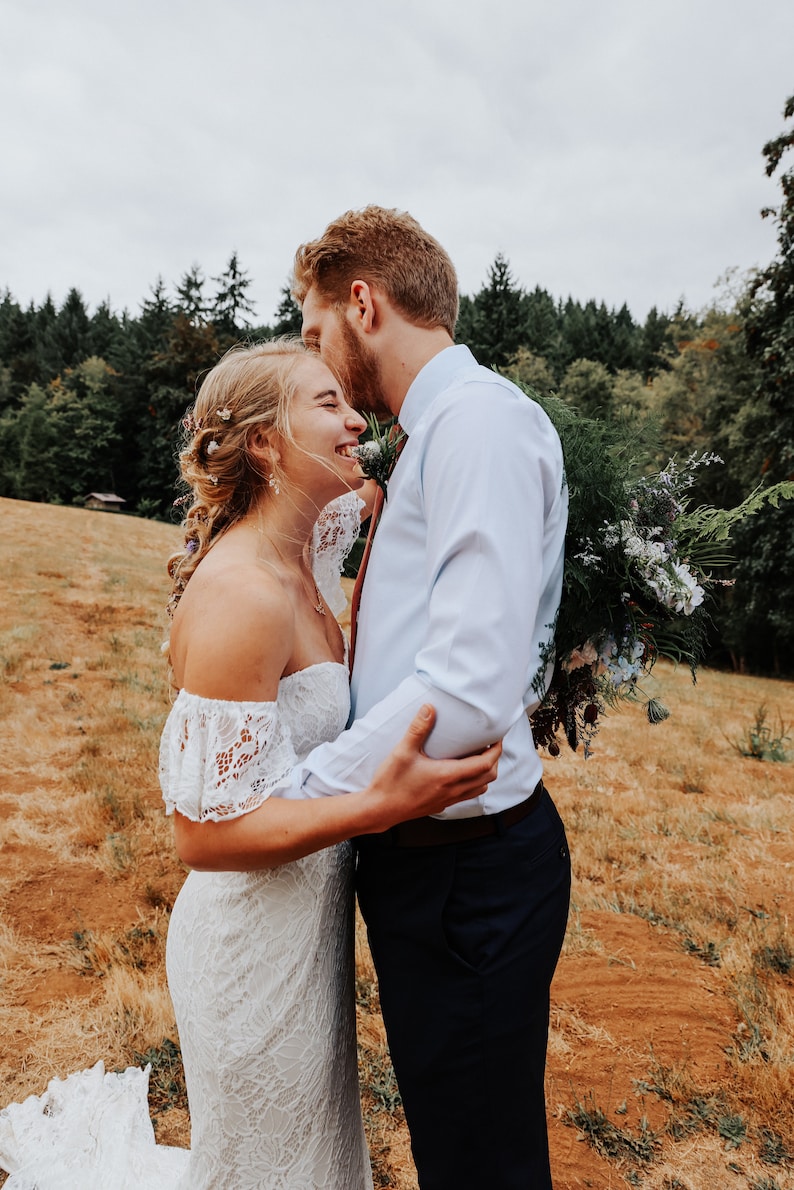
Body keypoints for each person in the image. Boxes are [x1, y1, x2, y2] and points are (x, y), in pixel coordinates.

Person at [0, 339, 500, 1190]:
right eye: (327, 404)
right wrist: (380, 803)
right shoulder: (244, 597)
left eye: (352, 402)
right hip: (248, 952)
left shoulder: (309, 539)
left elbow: (397, 487)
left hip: (307, 931)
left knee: (316, 1158)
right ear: (265, 443)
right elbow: (203, 836)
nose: (356, 422)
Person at [286, 207, 572, 1189]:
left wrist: (294, 792)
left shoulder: (477, 423)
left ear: (361, 301)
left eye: (317, 329)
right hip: (439, 867)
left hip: (467, 878)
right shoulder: (441, 428)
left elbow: (464, 685)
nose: (317, 361)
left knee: (480, 1168)